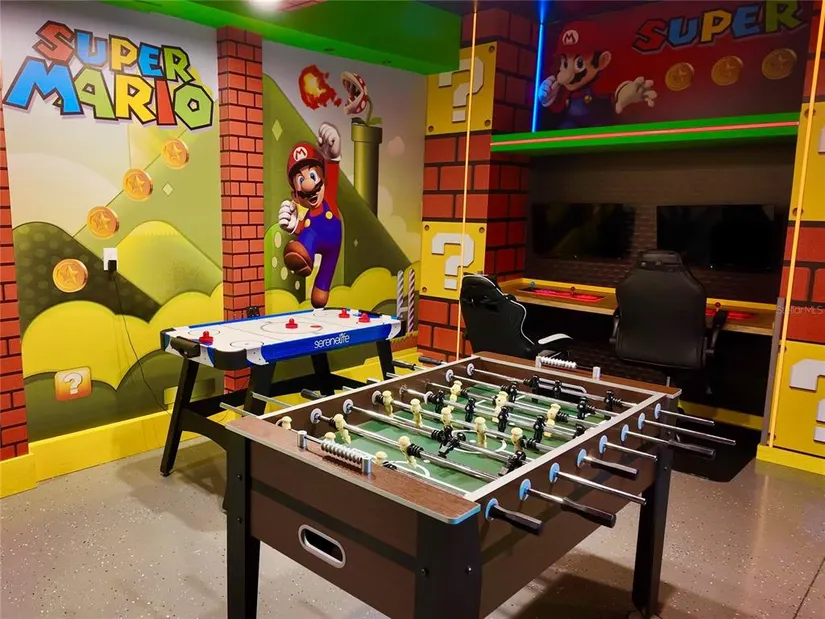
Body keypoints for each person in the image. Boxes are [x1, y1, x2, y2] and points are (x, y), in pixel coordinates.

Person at [278, 123, 342, 308]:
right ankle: (304, 256)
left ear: (323, 180)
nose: (308, 185)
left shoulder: (329, 198)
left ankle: (321, 286)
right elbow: (302, 227)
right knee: (308, 235)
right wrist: (293, 226)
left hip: (333, 245)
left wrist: (332, 157)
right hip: (312, 236)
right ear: (296, 196)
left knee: (320, 295)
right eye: (301, 179)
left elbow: (333, 172)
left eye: (312, 176)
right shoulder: (307, 218)